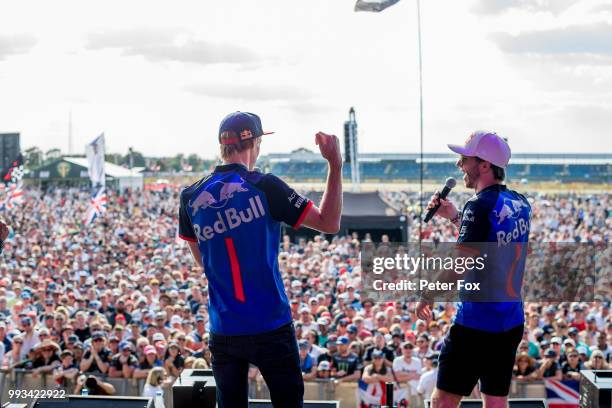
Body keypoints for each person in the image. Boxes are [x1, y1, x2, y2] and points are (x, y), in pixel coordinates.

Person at [178, 111, 342, 407]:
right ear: (253, 142)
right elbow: (329, 222)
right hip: (270, 323)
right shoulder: (265, 185)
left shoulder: (190, 196)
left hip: (224, 327)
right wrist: (335, 164)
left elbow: (203, 262)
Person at [417, 131, 531, 408]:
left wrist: (429, 294)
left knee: (443, 401)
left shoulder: (478, 205)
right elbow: (491, 245)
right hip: (511, 319)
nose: (459, 165)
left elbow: (461, 263)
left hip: (476, 322)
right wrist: (455, 217)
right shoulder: (520, 202)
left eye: (464, 158)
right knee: (495, 401)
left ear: (484, 165)